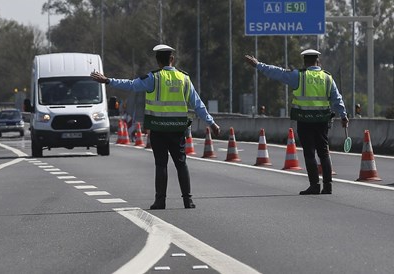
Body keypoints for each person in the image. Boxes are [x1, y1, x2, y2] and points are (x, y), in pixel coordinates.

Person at [91, 44, 221, 209]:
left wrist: (108, 80)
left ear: (157, 61)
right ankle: (188, 200)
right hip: (177, 129)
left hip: (158, 129)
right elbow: (198, 105)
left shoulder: (154, 77)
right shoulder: (184, 78)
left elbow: (130, 85)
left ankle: (160, 201)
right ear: (172, 59)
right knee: (181, 164)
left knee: (161, 164)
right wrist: (212, 123)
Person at [245, 49, 349, 195]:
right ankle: (328, 186)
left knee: (309, 153)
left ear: (305, 62)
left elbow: (278, 73)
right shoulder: (327, 78)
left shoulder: (299, 76)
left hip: (304, 120)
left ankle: (314, 185)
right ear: (317, 61)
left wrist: (258, 65)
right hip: (322, 121)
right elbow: (337, 99)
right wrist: (343, 116)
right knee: (324, 153)